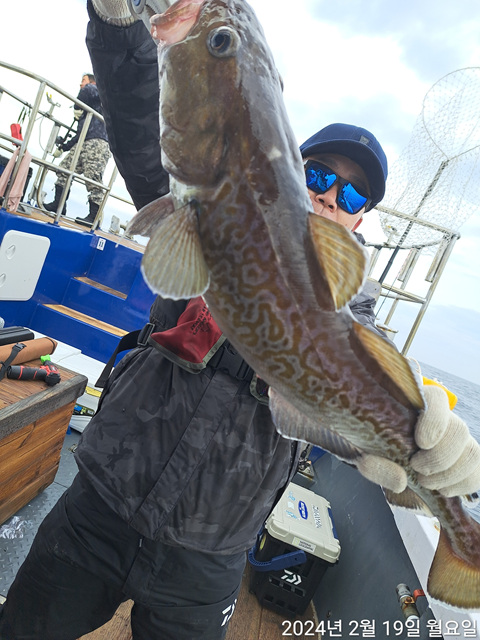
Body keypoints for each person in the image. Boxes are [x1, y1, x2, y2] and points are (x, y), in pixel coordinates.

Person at [1, 2, 479, 639]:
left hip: (209, 555)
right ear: (290, 168)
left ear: (361, 221)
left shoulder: (352, 308)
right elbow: (144, 127)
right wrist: (118, 28)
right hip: (103, 502)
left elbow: (370, 360)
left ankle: (462, 539)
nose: (330, 195)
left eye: (352, 194)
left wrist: (431, 442)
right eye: (319, 174)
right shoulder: (201, 205)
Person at [43, 73, 111, 227]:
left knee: (92, 177)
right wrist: (64, 147)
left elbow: (88, 90)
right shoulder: (88, 110)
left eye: (83, 81)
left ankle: (94, 217)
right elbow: (80, 134)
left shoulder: (98, 92)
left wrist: (77, 106)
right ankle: (59, 205)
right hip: (83, 141)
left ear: (92, 82)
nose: (81, 84)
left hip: (97, 141)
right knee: (64, 169)